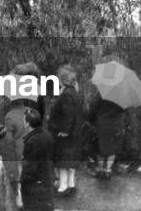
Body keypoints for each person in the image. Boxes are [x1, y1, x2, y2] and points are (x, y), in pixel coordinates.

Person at [47, 64, 82, 198]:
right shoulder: (73, 92)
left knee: (62, 161)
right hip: (75, 133)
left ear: (62, 79)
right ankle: (70, 184)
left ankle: (63, 187)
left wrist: (65, 130)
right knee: (70, 160)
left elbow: (68, 114)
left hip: (65, 134)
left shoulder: (66, 95)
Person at [20, 108, 54, 211]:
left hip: (34, 186)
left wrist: (23, 180)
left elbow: (30, 168)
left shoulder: (31, 142)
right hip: (47, 179)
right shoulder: (48, 135)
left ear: (27, 123)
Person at [88, 94, 125, 180]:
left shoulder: (102, 93)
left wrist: (90, 119)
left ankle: (100, 170)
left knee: (101, 148)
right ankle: (108, 170)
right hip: (116, 124)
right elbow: (124, 110)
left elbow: (93, 108)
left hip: (102, 124)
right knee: (113, 148)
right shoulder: (122, 95)